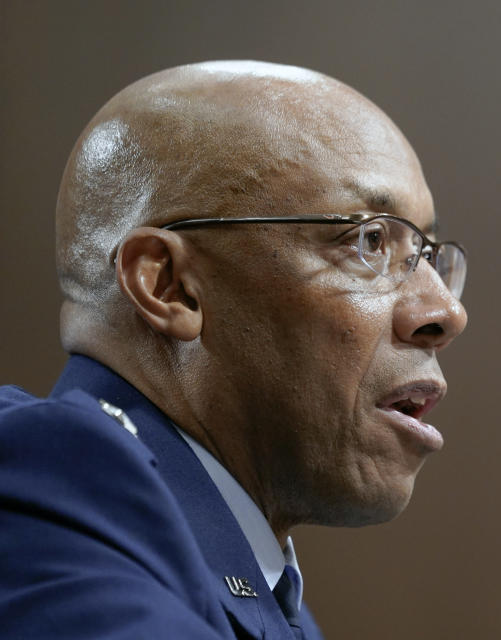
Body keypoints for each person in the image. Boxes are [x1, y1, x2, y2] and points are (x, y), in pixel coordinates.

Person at [0, 60, 468, 639]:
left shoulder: (265, 592)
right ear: (169, 286)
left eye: (428, 255)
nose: (445, 312)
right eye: (371, 240)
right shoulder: (46, 489)